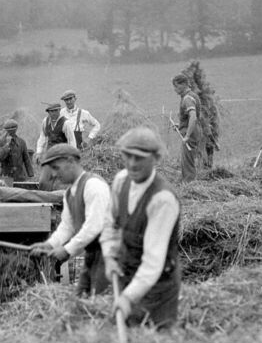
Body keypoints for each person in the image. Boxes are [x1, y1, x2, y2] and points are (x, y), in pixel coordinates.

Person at [100, 128, 182, 329]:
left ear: (156, 158)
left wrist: (128, 298)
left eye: (139, 158)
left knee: (154, 341)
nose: (132, 164)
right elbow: (111, 222)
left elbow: (153, 261)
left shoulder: (162, 200)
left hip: (158, 287)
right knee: (125, 330)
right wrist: (109, 256)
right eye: (127, 156)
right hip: (127, 273)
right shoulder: (121, 181)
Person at [30, 143, 112, 297]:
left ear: (70, 161)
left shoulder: (93, 186)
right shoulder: (69, 193)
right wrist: (49, 244)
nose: (54, 174)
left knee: (101, 300)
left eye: (56, 167)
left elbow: (94, 226)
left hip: (111, 256)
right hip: (93, 255)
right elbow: (67, 226)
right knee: (81, 299)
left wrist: (67, 250)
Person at [171, 74, 204, 180]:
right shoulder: (193, 95)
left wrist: (187, 136)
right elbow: (191, 118)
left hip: (191, 134)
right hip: (194, 131)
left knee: (187, 163)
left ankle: (190, 186)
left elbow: (193, 117)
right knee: (188, 161)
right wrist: (180, 125)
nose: (175, 89)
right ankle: (189, 183)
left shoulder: (187, 99)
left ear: (184, 84)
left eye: (176, 86)